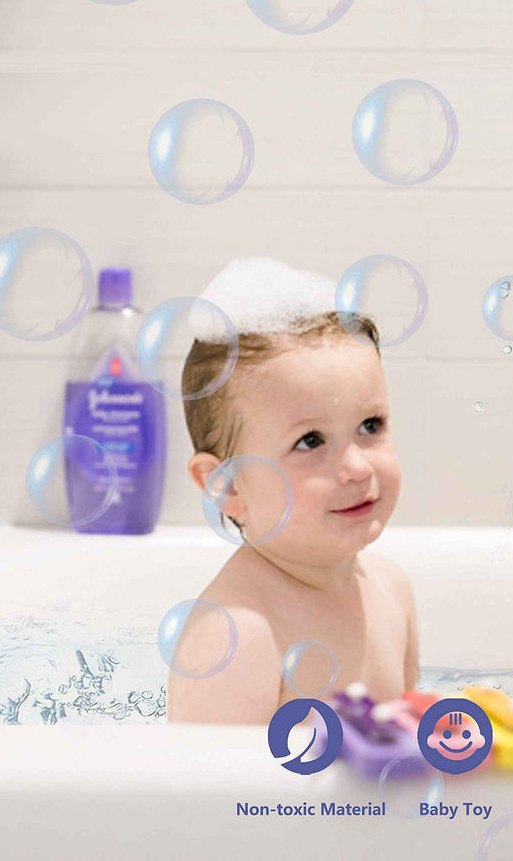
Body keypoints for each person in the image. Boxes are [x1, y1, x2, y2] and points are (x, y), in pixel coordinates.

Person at [167, 259, 417, 724]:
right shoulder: (238, 635)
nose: (358, 467)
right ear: (227, 486)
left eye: (370, 425)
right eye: (311, 441)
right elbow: (206, 776)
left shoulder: (392, 590)